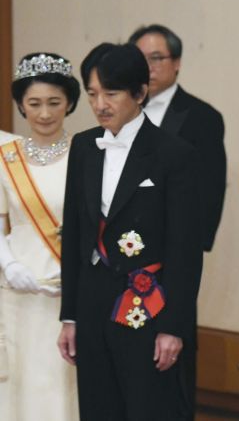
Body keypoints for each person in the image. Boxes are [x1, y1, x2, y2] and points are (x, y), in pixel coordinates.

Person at [57, 43, 202, 420]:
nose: (100, 104)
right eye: (92, 94)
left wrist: (175, 328)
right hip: (91, 302)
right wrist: (69, 316)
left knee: (148, 407)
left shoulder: (174, 154)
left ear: (139, 93)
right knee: (97, 406)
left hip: (148, 302)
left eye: (111, 93)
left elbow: (185, 249)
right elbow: (73, 235)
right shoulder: (85, 146)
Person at [129, 24, 226, 417]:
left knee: (172, 353)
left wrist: (187, 249)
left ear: (177, 62)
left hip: (172, 258)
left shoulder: (201, 117)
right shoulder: (122, 111)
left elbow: (210, 189)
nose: (148, 68)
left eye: (157, 58)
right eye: (141, 59)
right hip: (124, 255)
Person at [0, 53, 80, 420]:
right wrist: (10, 264)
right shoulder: (5, 157)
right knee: (16, 383)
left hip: (67, 292)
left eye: (54, 103)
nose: (44, 114)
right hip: (16, 291)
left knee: (60, 385)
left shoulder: (87, 153)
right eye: (34, 104)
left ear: (70, 103)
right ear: (20, 104)